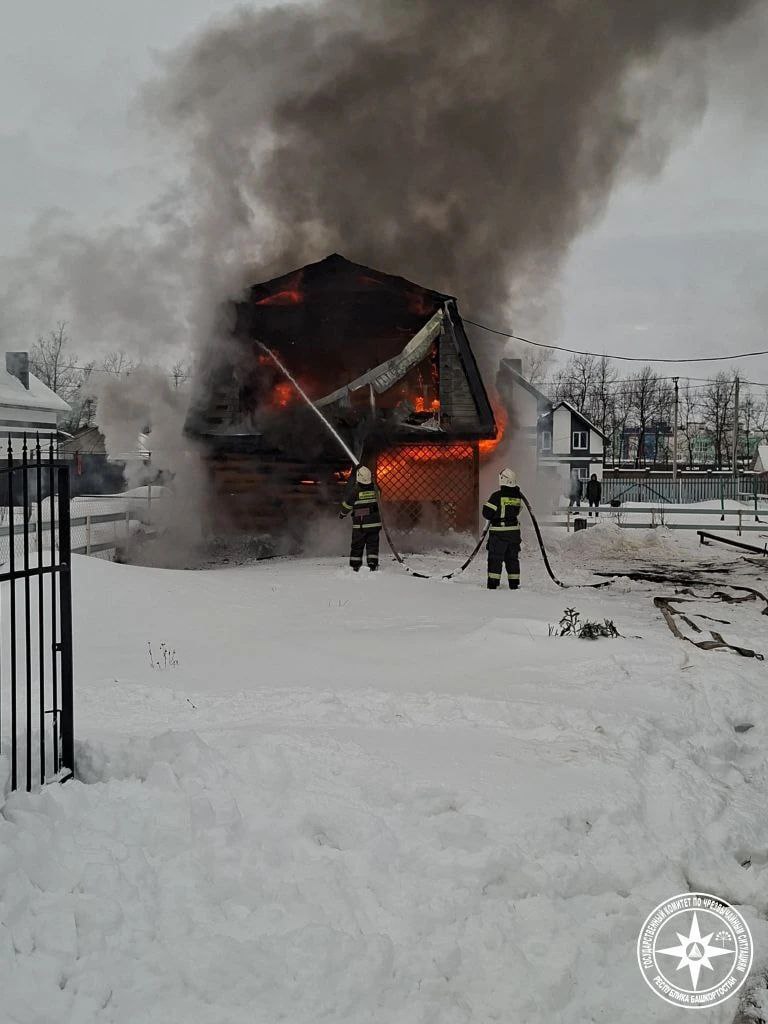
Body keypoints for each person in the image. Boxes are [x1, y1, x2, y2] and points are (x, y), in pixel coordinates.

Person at [482, 467, 522, 590]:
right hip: (514, 533)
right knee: (512, 559)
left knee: (495, 558)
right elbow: (518, 510)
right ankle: (514, 583)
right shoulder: (518, 496)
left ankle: (493, 583)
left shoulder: (497, 496)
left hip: (499, 533)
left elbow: (486, 513)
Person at [339, 465, 382, 571]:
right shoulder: (375, 488)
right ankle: (372, 563)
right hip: (375, 524)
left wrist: (342, 514)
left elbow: (347, 505)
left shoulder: (355, 491)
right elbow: (378, 496)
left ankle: (355, 564)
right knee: (373, 545)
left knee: (357, 545)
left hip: (360, 525)